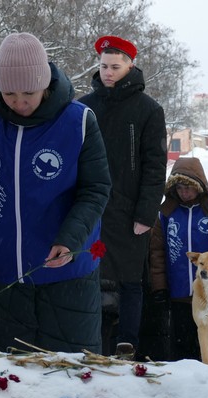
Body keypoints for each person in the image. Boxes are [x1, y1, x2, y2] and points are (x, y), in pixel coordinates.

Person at [0, 32, 111, 355]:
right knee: (10, 381)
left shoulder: (79, 121)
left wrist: (71, 239)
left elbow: (96, 189)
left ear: (45, 83)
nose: (19, 101)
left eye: (28, 92)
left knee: (70, 378)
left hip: (67, 276)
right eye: (9, 93)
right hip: (5, 276)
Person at [78, 35, 167, 359]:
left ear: (130, 65)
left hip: (130, 212)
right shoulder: (84, 107)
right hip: (92, 208)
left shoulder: (148, 110)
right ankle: (92, 339)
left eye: (115, 66)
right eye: (103, 66)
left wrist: (146, 214)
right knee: (91, 274)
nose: (108, 72)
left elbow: (155, 166)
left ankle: (127, 343)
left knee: (130, 280)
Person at [147, 157, 208, 364]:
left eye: (189, 187)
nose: (184, 192)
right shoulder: (166, 214)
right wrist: (160, 288)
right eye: (179, 187)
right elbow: (157, 253)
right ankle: (187, 390)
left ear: (199, 185)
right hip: (181, 293)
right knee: (183, 349)